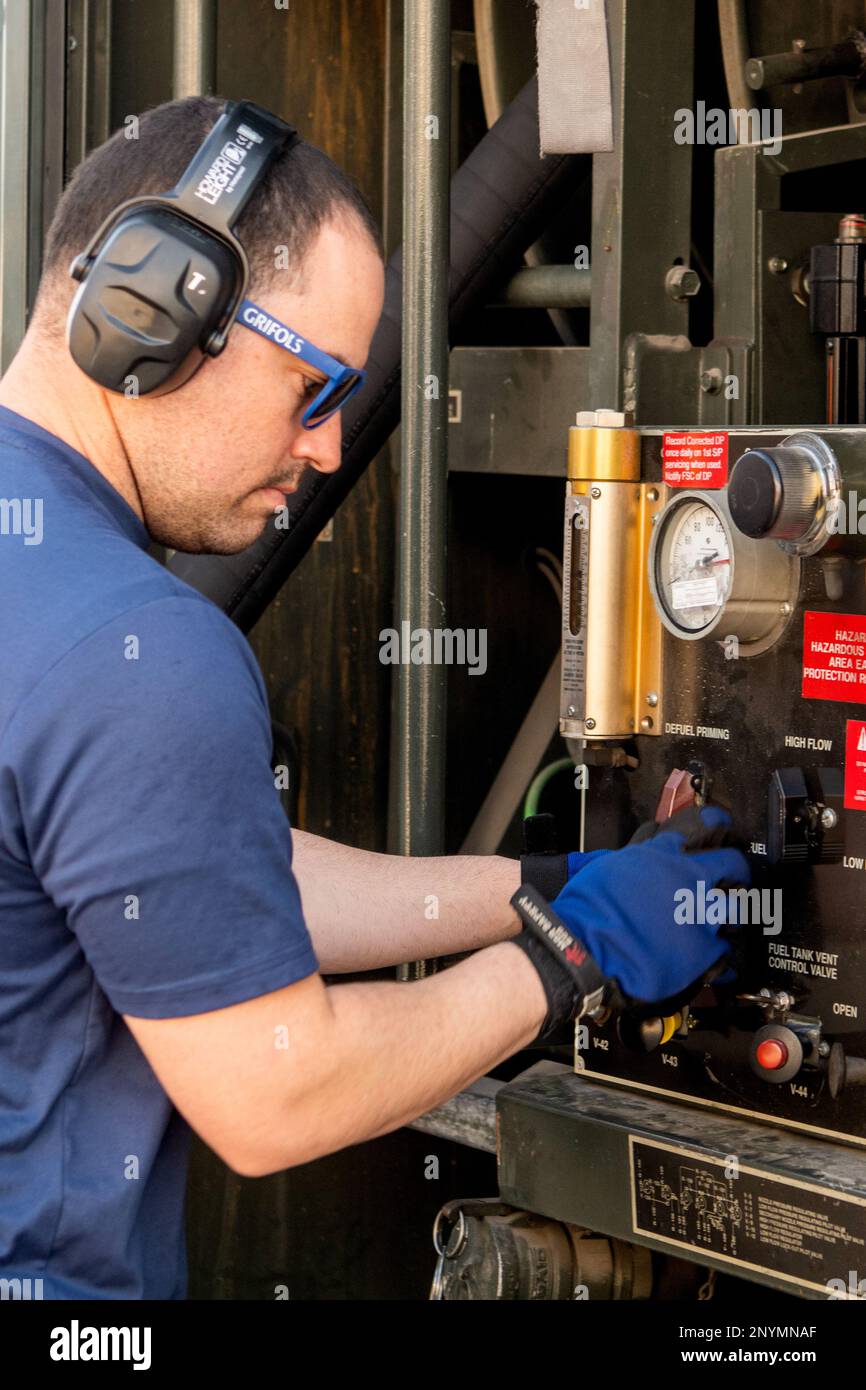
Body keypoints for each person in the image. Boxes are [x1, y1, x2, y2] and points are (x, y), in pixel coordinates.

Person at [0, 95, 749, 1299]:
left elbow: (184, 873)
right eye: (315, 387)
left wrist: (534, 889)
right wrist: (576, 951)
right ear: (159, 308)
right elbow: (276, 1087)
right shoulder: (135, 645)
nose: (329, 447)